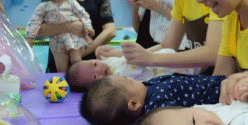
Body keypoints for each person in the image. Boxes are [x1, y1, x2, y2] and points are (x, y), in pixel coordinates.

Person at [80, 73, 226, 125]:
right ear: (134, 104)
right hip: (220, 96)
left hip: (215, 81)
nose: (131, 78)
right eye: (128, 81)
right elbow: (177, 121)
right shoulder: (157, 108)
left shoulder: (147, 88)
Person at [25, 0, 94, 73]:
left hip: (74, 37)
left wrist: (88, 27)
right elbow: (35, 20)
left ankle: (78, 82)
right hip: (57, 40)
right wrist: (30, 37)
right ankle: (64, 85)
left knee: (76, 61)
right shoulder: (44, 6)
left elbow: (83, 15)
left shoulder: (72, 3)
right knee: (61, 68)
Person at [66, 48, 199, 90]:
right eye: (95, 77)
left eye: (95, 64)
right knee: (196, 67)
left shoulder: (108, 64)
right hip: (170, 70)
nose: (99, 70)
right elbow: (135, 65)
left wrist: (113, 53)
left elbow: (119, 58)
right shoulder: (118, 79)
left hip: (163, 58)